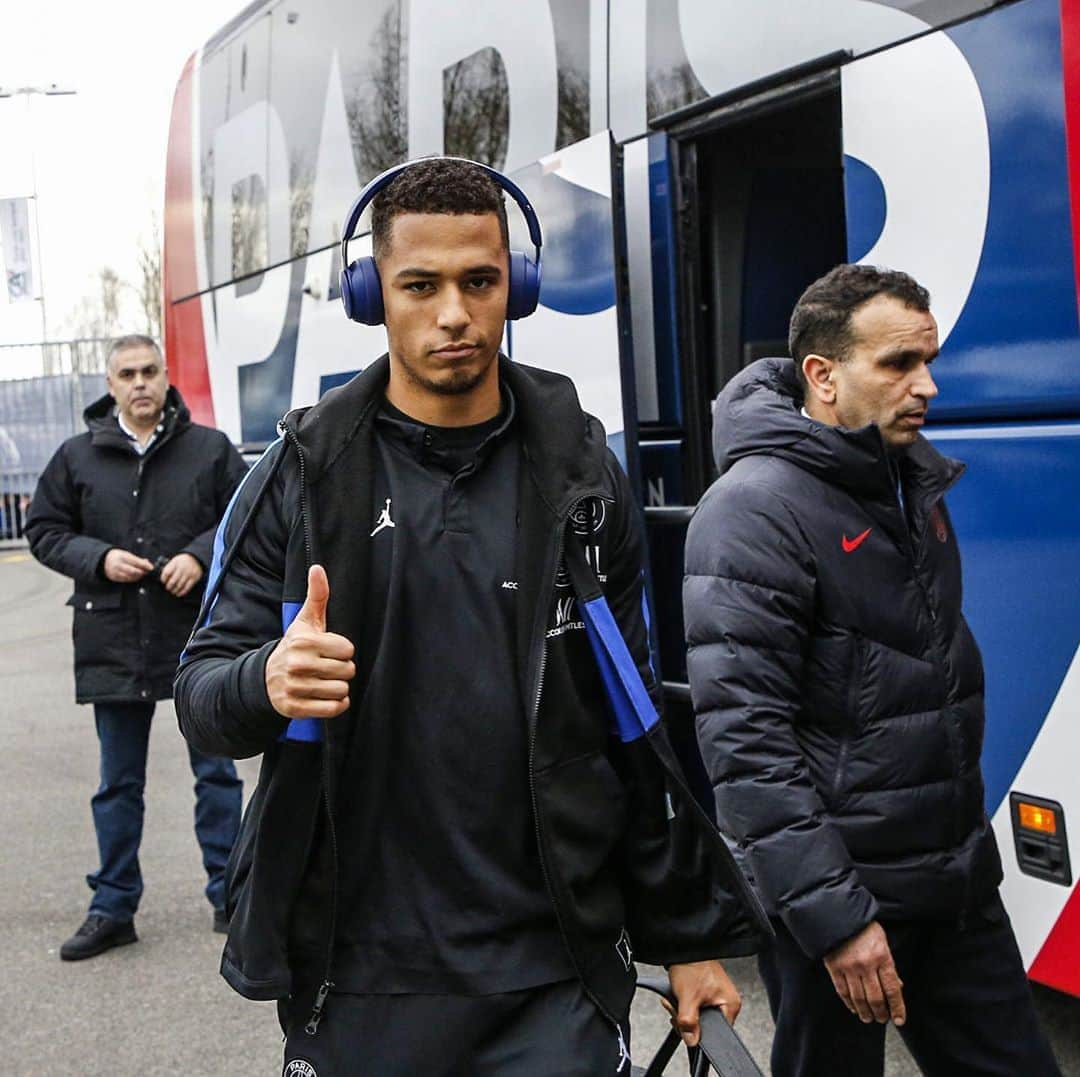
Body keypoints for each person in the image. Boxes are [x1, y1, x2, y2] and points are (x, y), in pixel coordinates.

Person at [175, 156, 769, 1075]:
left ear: (515, 289)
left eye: (479, 281)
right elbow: (200, 694)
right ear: (375, 295)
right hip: (358, 977)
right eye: (421, 284)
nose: (454, 312)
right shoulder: (301, 476)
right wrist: (267, 677)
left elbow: (635, 725)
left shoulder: (582, 477)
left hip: (555, 973)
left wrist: (685, 937)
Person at [683, 264, 1061, 1076]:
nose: (924, 385)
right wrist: (836, 920)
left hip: (952, 881)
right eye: (897, 364)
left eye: (927, 361)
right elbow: (747, 742)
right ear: (822, 375)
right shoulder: (753, 509)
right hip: (842, 899)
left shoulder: (907, 477)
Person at [26, 334, 248, 961]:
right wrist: (96, 558)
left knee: (216, 772)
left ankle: (230, 895)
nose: (141, 382)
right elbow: (43, 530)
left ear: (166, 374)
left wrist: (199, 556)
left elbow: (245, 513)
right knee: (118, 782)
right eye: (128, 373)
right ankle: (113, 906)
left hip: (195, 638)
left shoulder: (208, 449)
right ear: (111, 381)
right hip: (114, 636)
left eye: (150, 370)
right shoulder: (76, 457)